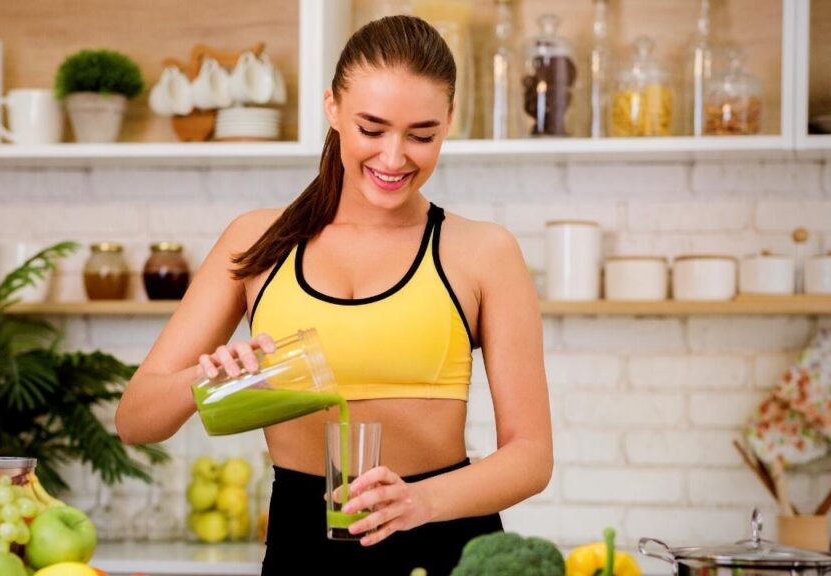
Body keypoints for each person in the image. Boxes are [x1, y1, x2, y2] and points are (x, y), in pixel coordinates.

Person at [116, 15, 552, 575]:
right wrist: (203, 379)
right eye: (372, 129)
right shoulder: (258, 242)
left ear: (449, 122)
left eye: (421, 135)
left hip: (443, 542)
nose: (394, 158)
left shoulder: (483, 252)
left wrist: (420, 503)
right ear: (332, 110)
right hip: (302, 546)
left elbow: (531, 456)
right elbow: (135, 420)